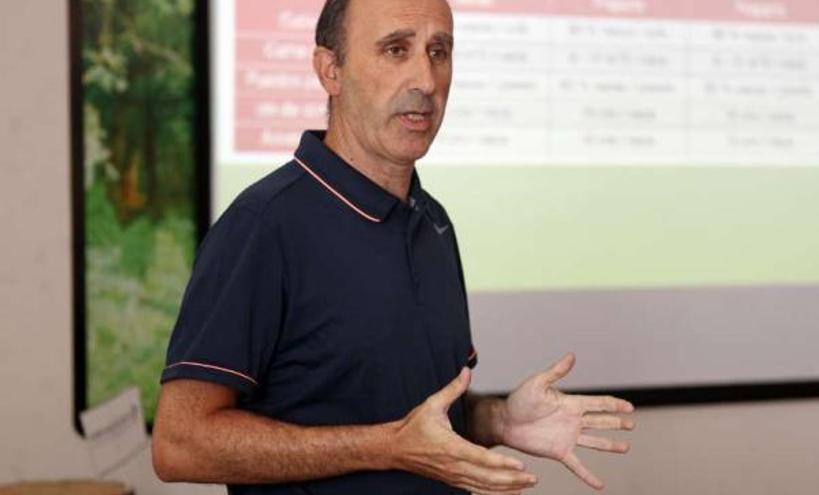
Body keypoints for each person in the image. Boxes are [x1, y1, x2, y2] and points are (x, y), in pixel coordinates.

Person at [151, 0, 635, 493]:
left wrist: (498, 422)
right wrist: (385, 446)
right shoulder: (263, 225)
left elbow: (426, 417)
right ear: (330, 70)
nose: (425, 80)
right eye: (396, 49)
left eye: (439, 51)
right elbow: (180, 444)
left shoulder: (434, 223)